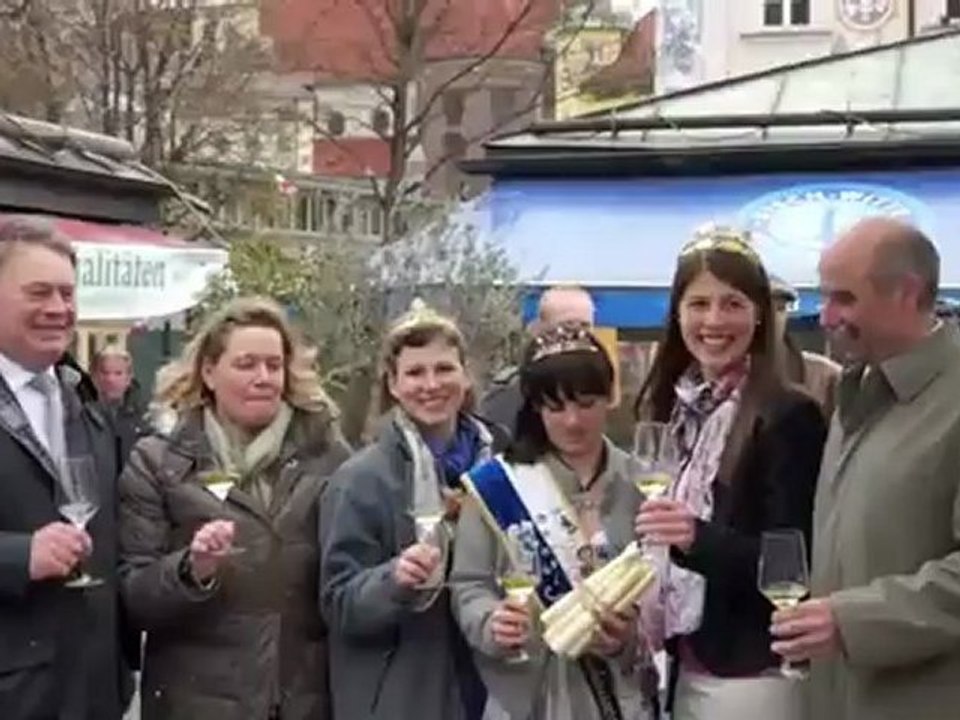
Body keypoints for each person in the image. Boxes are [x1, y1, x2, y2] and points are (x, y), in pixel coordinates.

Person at [118, 296, 350, 719]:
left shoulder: (328, 457)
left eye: (274, 365)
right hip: (196, 704)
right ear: (209, 372)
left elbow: (347, 577)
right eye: (246, 364)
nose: (263, 378)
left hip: (304, 701)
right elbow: (135, 597)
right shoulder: (158, 462)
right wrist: (192, 570)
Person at [633, 226, 827, 720]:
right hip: (683, 660)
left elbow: (793, 563)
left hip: (753, 671)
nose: (714, 320)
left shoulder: (788, 414)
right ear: (677, 314)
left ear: (759, 315)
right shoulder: (677, 408)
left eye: (732, 304)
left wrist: (696, 538)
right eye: (699, 304)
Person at [771, 218, 960, 720]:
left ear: (907, 293)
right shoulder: (857, 392)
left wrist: (849, 621)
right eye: (824, 296)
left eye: (844, 298)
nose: (826, 315)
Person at [453, 321, 654, 720]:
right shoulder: (496, 486)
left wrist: (630, 637)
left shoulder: (643, 484)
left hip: (621, 698)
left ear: (610, 397)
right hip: (528, 698)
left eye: (586, 403)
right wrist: (491, 622)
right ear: (535, 408)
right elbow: (468, 584)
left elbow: (670, 594)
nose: (573, 421)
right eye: (555, 407)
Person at [320, 300, 505, 720]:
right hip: (405, 696)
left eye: (444, 369)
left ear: (465, 375)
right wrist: (394, 580)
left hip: (494, 688)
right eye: (415, 372)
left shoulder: (501, 466)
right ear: (393, 384)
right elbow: (337, 604)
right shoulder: (360, 480)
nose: (431, 384)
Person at [0, 215, 132, 719]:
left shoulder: (85, 401)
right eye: (38, 292)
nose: (58, 308)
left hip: (93, 692)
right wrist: (19, 556)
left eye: (67, 293)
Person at [479, 285, 596, 436]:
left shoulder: (599, 389)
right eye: (567, 326)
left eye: (585, 327)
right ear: (540, 329)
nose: (576, 336)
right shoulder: (510, 394)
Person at [769, 275, 842, 418]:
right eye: (762, 309)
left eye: (780, 308)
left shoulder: (826, 376)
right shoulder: (726, 379)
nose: (771, 318)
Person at [91, 344, 148, 463]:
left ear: (128, 378)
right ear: (94, 377)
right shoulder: (80, 415)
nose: (110, 379)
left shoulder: (145, 417)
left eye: (118, 373)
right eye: (105, 373)